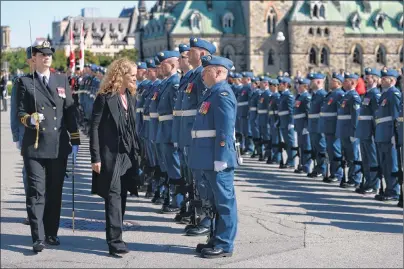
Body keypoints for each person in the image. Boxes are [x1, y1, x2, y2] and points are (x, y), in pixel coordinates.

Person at [16, 40, 80, 253]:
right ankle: (38, 236)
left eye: (49, 53)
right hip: (35, 146)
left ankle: (51, 232)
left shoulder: (61, 79)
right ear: (33, 58)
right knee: (36, 192)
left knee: (55, 192)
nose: (46, 56)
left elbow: (70, 111)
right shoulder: (25, 82)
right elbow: (20, 112)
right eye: (41, 54)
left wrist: (75, 139)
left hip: (58, 146)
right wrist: (30, 119)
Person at [189, 55, 238, 258]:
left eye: (206, 70)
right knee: (214, 202)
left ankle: (225, 244)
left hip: (216, 157)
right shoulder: (212, 93)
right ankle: (215, 238)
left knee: (224, 202)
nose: (202, 73)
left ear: (218, 72)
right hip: (207, 156)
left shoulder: (222, 94)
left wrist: (222, 157)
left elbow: (225, 129)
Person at [90, 57, 140, 256]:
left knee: (123, 196)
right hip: (110, 155)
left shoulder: (132, 96)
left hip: (128, 155)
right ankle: (115, 241)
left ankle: (116, 233)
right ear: (121, 75)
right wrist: (95, 157)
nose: (137, 79)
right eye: (133, 75)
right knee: (113, 196)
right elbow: (93, 128)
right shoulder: (105, 97)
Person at [10, 46, 34, 225]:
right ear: (28, 61)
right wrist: (16, 135)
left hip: (48, 136)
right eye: (33, 58)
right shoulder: (21, 81)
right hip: (27, 133)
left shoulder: (52, 80)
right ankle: (31, 211)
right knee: (29, 174)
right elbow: (14, 111)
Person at [374, 69, 402, 201]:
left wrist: (394, 135)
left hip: (389, 134)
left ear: (392, 80)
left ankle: (394, 191)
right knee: (385, 163)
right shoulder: (384, 95)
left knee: (392, 163)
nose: (381, 80)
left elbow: (396, 117)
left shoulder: (394, 94)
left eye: (384, 78)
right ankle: (388, 189)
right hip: (382, 133)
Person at [354, 68, 382, 194]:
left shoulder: (375, 94)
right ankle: (368, 182)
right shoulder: (367, 94)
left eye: (369, 77)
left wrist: (375, 132)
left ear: (375, 79)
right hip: (364, 131)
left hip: (370, 132)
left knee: (372, 158)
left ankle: (374, 184)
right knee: (365, 159)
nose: (366, 79)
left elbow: (377, 115)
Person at [336, 72, 362, 188]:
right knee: (348, 155)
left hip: (350, 131)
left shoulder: (354, 97)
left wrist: (355, 132)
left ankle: (355, 178)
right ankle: (350, 177)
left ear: (352, 83)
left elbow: (355, 116)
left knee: (353, 156)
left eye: (346, 81)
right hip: (344, 130)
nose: (343, 83)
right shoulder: (346, 96)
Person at [320, 73, 345, 183]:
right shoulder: (331, 94)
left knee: (335, 151)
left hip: (334, 127)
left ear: (339, 83)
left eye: (332, 81)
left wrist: (338, 128)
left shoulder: (340, 94)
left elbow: (340, 113)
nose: (330, 82)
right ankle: (333, 172)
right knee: (330, 151)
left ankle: (338, 173)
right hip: (328, 127)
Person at [307, 73, 328, 178]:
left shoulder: (322, 95)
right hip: (313, 126)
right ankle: (318, 168)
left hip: (318, 126)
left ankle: (322, 169)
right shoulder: (315, 95)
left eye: (312, 81)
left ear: (319, 82)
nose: (310, 83)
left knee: (321, 148)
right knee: (315, 148)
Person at [293, 78, 312, 174]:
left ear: (305, 86)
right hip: (299, 125)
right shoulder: (299, 97)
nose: (297, 87)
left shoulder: (306, 97)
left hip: (304, 126)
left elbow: (308, 113)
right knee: (301, 146)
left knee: (306, 146)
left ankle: (307, 166)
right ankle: (301, 164)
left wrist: (307, 127)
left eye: (299, 85)